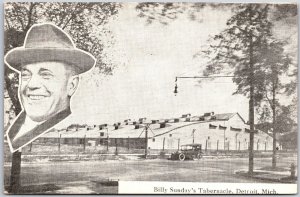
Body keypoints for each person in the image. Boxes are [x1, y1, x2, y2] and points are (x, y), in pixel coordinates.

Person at [4, 23, 96, 153]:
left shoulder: (65, 127)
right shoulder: (14, 129)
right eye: (25, 75)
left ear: (71, 85)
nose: (31, 84)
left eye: (46, 75)